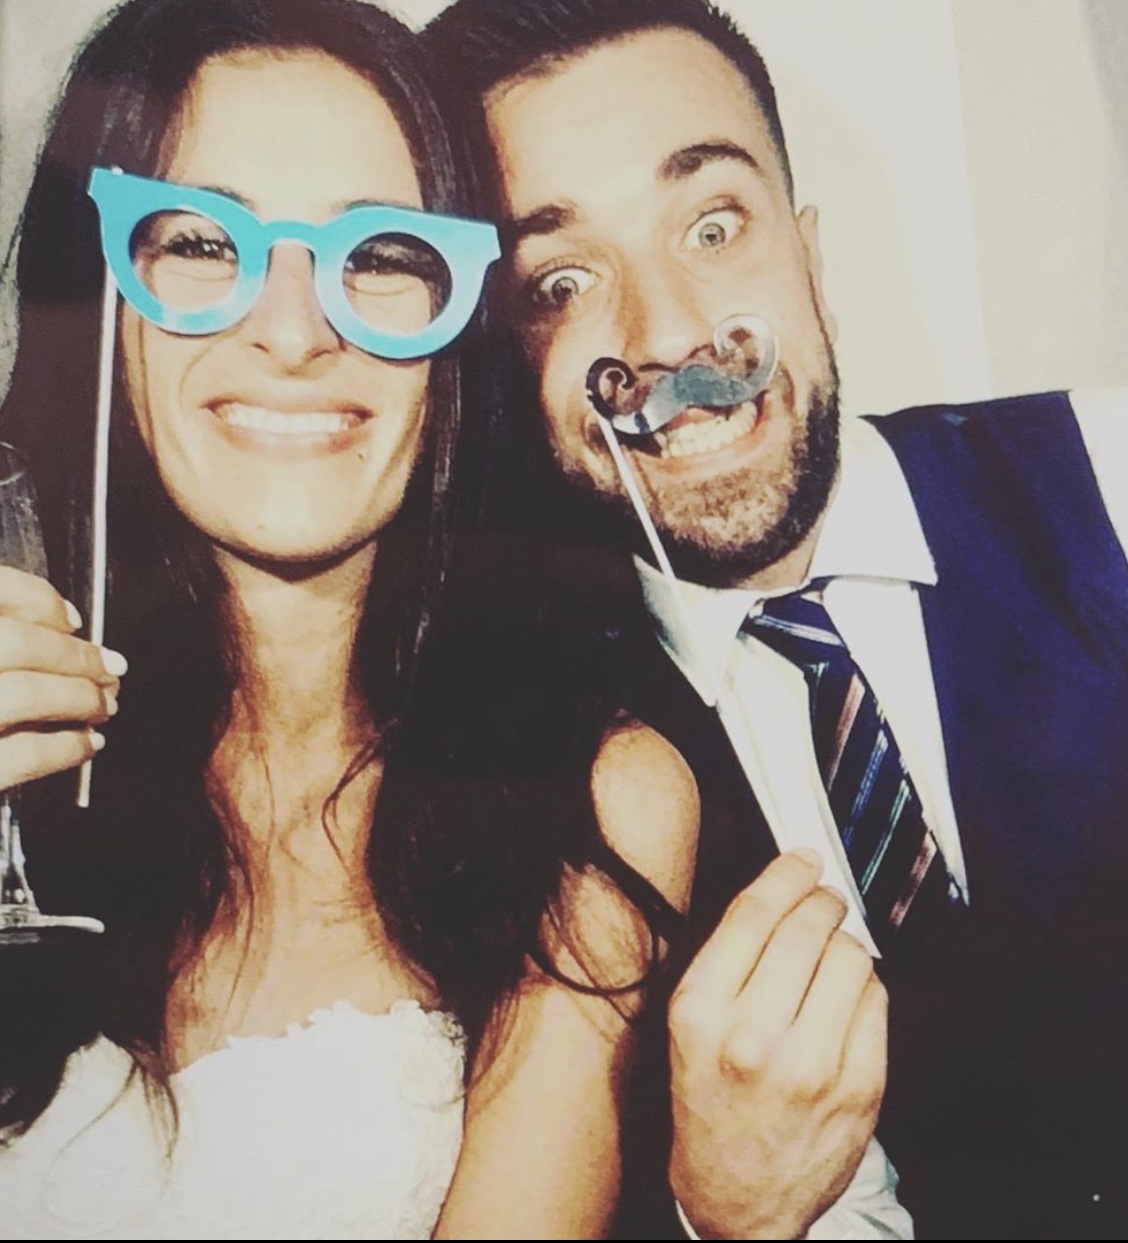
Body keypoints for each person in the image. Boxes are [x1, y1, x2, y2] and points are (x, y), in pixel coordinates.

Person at [426, 0, 1128, 1238]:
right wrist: (721, 1213)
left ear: (809, 256)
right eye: (559, 280)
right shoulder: (536, 786)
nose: (668, 332)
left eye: (712, 226)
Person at [0, 0, 698, 1237]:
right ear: (95, 295)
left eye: (378, 255)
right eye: (199, 241)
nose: (293, 330)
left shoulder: (588, 808)